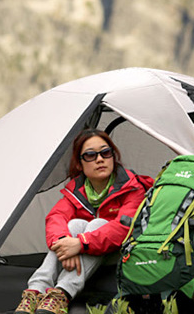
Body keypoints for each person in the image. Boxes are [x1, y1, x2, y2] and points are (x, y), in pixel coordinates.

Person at [14, 129, 153, 314]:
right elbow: (56, 218)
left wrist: (81, 243)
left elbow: (123, 229)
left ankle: (61, 292)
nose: (100, 159)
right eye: (90, 155)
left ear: (113, 156)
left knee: (99, 224)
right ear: (80, 163)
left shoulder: (132, 187)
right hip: (86, 251)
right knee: (72, 225)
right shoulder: (76, 191)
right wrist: (67, 244)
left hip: (120, 253)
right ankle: (36, 290)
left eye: (105, 152)